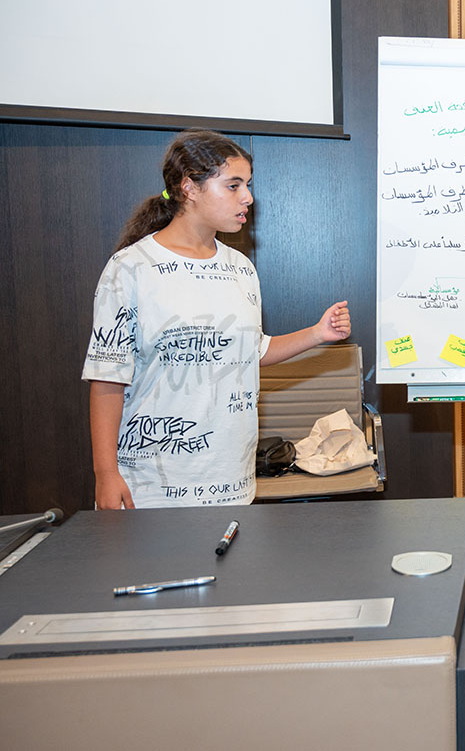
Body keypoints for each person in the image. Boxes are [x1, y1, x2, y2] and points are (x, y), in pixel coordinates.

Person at [83, 129, 351, 510]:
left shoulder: (241, 269)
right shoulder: (130, 269)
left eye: (248, 185)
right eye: (233, 185)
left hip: (232, 483)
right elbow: (107, 378)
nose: (248, 197)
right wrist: (106, 474)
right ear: (190, 188)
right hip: (149, 491)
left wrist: (317, 333)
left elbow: (251, 352)